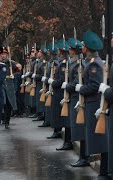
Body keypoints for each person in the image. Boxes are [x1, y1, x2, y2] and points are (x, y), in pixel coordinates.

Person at [75, 31, 108, 179]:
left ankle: (104, 171)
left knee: (99, 138)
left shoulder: (94, 63)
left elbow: (94, 86)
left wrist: (80, 89)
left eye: (83, 45)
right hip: (90, 102)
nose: (81, 46)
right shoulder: (90, 60)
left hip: (94, 103)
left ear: (87, 47)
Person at [62, 38, 89, 166]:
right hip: (73, 97)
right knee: (77, 128)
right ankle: (83, 156)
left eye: (70, 49)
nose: (68, 51)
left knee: (81, 128)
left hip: (77, 97)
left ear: (73, 51)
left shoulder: (79, 64)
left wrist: (68, 86)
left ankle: (84, 157)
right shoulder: (73, 62)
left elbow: (77, 80)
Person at [1, 47, 17, 129]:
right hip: (2, 84)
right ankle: (2, 118)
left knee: (9, 104)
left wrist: (13, 74)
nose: (3, 56)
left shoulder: (11, 63)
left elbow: (17, 70)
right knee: (2, 102)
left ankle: (7, 121)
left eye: (5, 54)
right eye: (2, 54)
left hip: (9, 84)